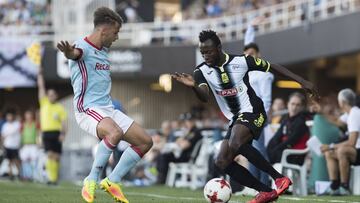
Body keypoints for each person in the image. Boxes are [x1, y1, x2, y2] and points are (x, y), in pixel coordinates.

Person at [172, 30, 317, 203]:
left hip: (254, 111)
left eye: (209, 51)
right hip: (236, 119)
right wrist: (193, 86)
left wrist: (301, 81)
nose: (206, 56)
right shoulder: (201, 71)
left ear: (219, 48)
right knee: (221, 161)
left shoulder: (241, 61)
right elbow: (204, 95)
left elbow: (272, 67)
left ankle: (279, 178)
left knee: (236, 142)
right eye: (203, 53)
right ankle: (266, 191)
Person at [57, 7, 152, 203]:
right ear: (104, 30)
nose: (117, 37)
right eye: (116, 32)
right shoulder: (82, 46)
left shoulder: (104, 48)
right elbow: (75, 53)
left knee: (145, 142)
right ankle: (91, 179)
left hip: (107, 109)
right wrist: (68, 52)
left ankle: (113, 181)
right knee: (114, 133)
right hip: (87, 109)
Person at [243, 17, 274, 186]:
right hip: (247, 115)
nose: (249, 56)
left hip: (258, 116)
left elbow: (267, 99)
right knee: (250, 150)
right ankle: (254, 185)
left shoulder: (264, 74)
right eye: (247, 55)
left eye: (253, 55)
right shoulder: (246, 72)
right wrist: (251, 27)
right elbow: (249, 44)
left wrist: (262, 119)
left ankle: (265, 184)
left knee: (259, 150)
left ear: (258, 56)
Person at [321, 89, 360, 195]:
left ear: (342, 102)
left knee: (341, 150)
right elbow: (337, 121)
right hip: (355, 151)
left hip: (358, 150)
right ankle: (334, 186)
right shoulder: (350, 113)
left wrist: (331, 146)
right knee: (329, 153)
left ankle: (344, 187)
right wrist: (322, 111)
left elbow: (352, 142)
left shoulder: (355, 114)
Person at [37, 66, 67, 185]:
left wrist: (63, 134)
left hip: (56, 133)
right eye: (49, 95)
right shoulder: (44, 103)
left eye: (53, 95)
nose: (50, 96)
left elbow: (65, 122)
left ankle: (54, 178)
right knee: (49, 155)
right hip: (46, 133)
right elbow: (41, 87)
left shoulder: (59, 107)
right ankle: (51, 178)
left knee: (56, 157)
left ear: (56, 96)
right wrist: (40, 75)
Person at [267, 92, 310, 165]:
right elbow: (277, 137)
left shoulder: (301, 122)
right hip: (284, 152)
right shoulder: (286, 120)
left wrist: (274, 150)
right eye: (292, 104)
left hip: (294, 155)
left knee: (267, 158)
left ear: (301, 107)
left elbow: (291, 141)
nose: (294, 107)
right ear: (288, 104)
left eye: (298, 105)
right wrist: (269, 148)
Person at [1, 108, 21, 180]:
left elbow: (12, 132)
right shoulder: (5, 125)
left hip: (14, 146)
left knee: (16, 160)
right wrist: (2, 144)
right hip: (7, 145)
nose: (9, 118)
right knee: (9, 161)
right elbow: (3, 135)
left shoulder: (16, 124)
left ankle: (19, 174)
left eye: (10, 116)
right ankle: (11, 174)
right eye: (8, 116)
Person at [20, 110, 40, 181]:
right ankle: (26, 176)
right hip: (25, 145)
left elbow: (38, 134)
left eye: (29, 115)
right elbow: (21, 135)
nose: (28, 117)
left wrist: (39, 143)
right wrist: (21, 144)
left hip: (33, 145)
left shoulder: (35, 124)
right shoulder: (23, 124)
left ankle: (34, 176)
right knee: (24, 161)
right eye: (27, 115)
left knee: (34, 161)